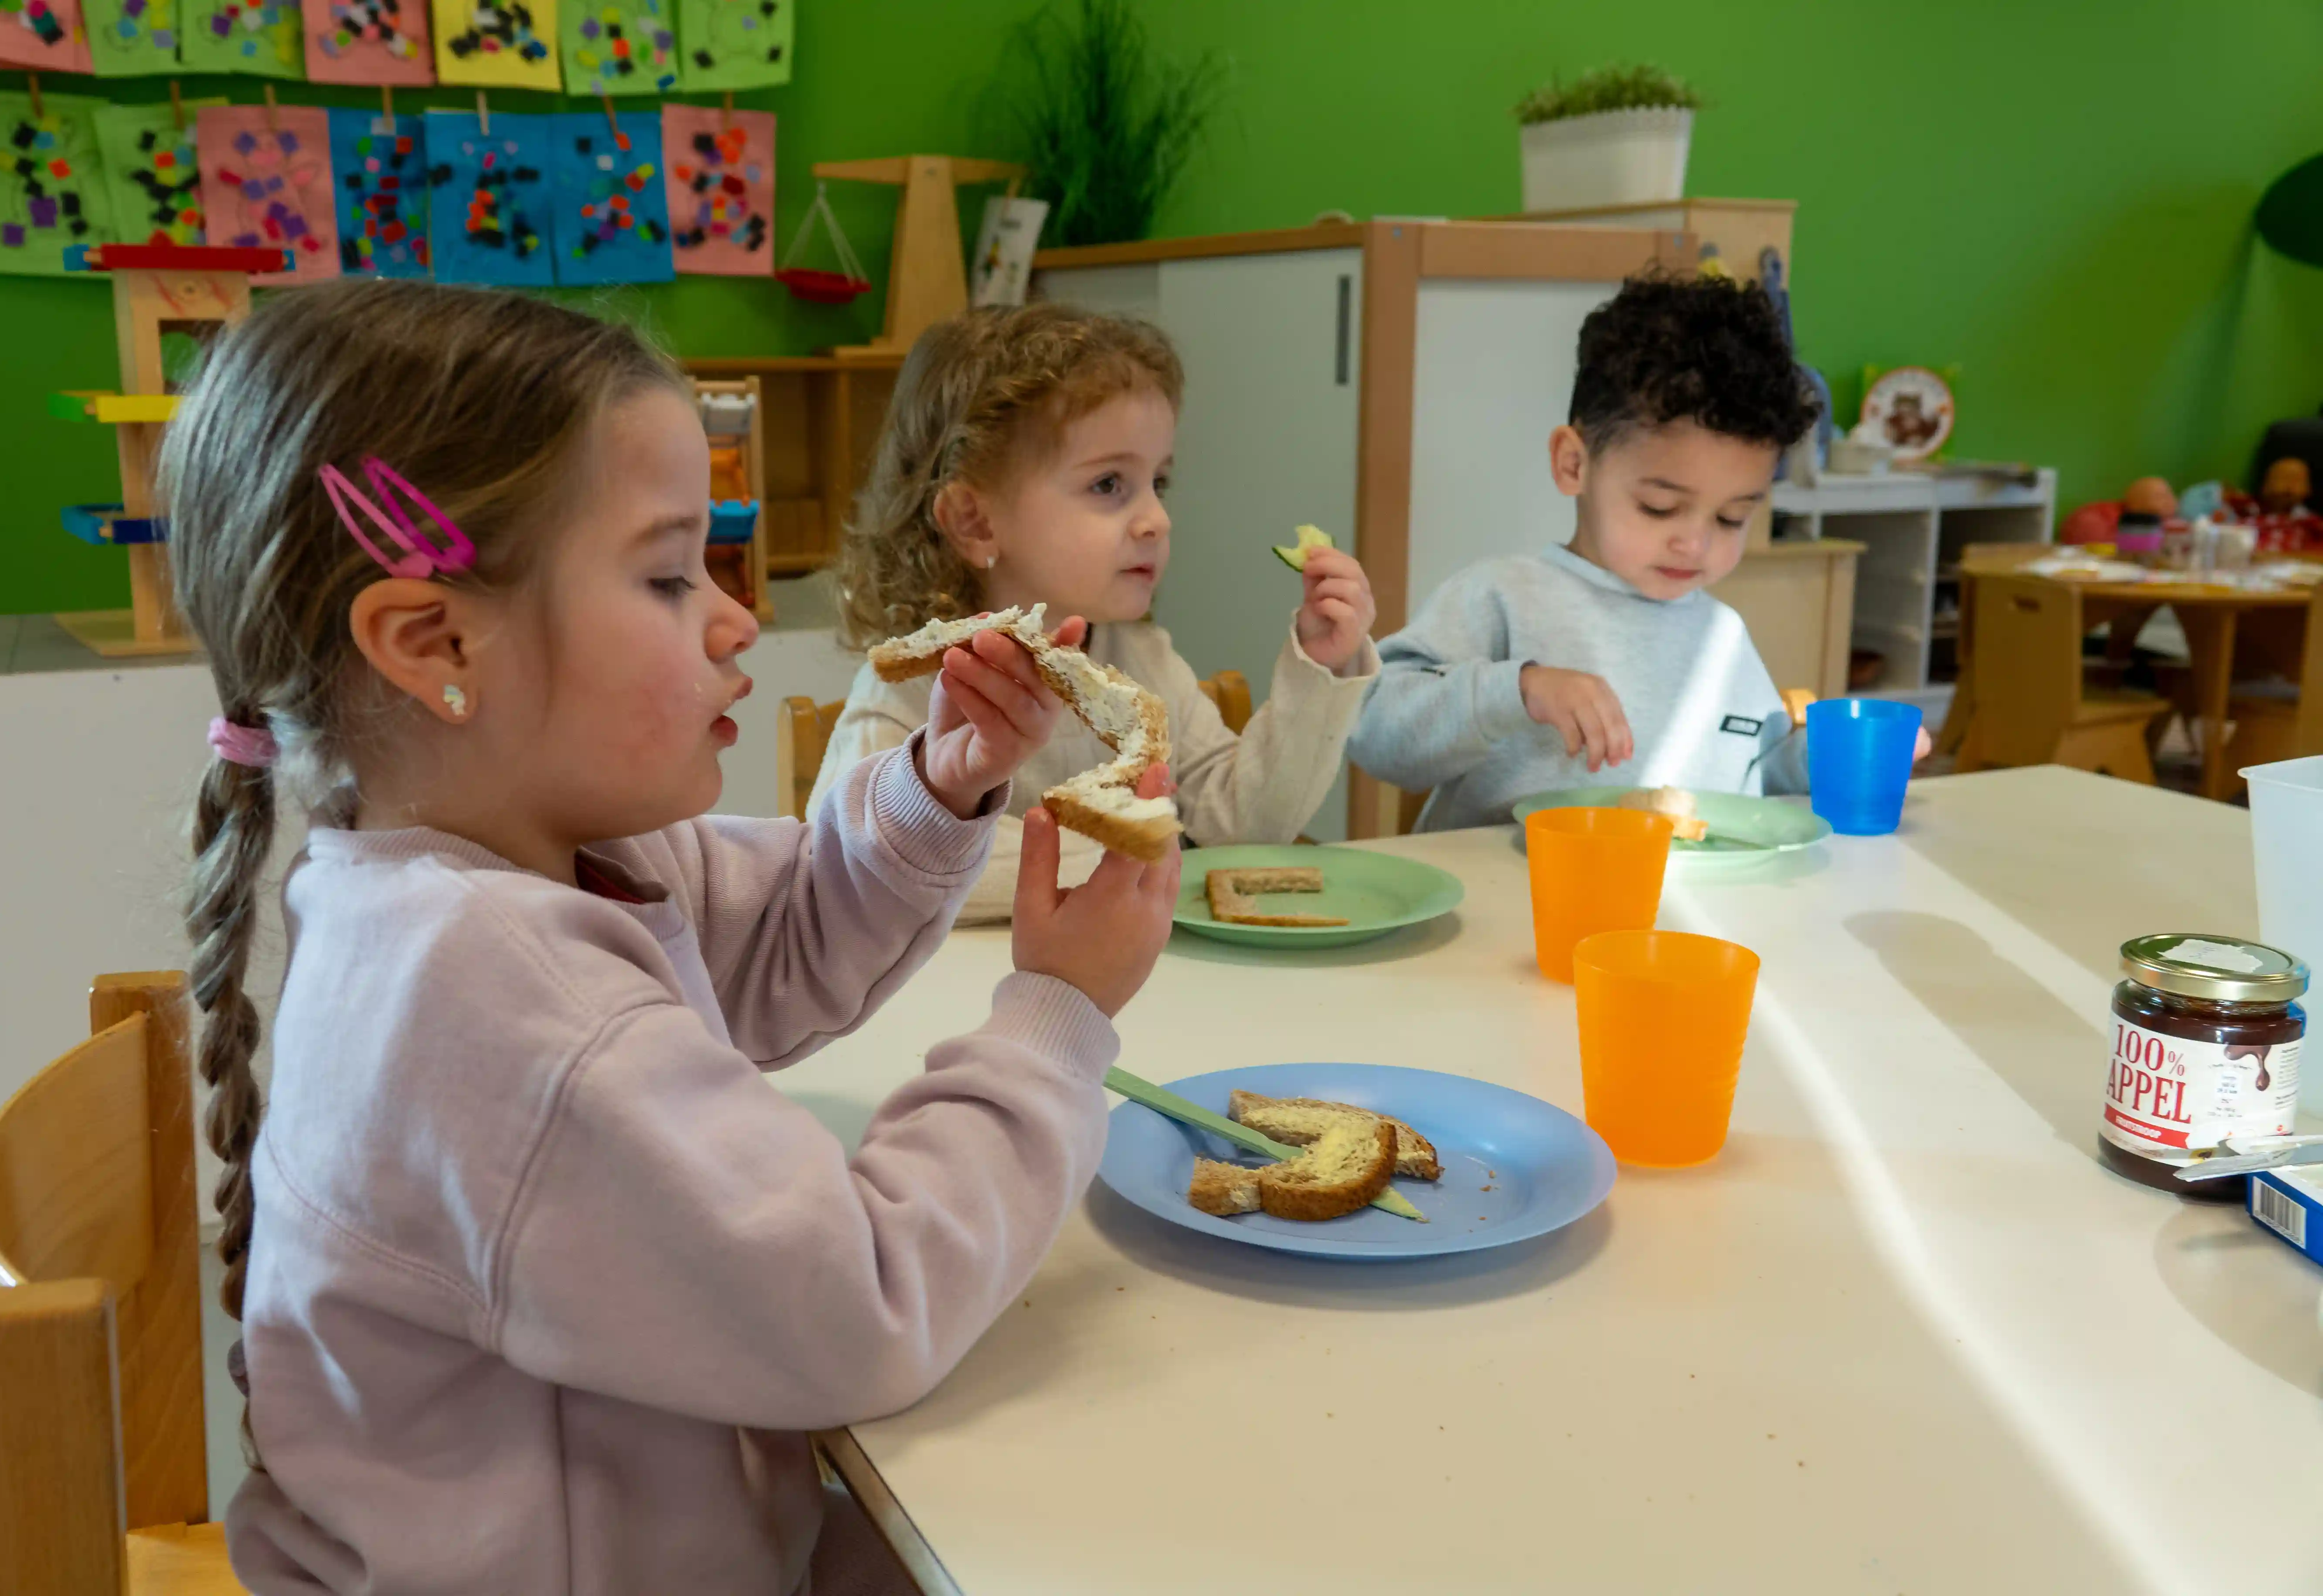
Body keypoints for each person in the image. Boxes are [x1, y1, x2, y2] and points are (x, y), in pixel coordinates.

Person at [161, 278, 1179, 1594]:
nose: (735, 616)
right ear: (433, 641)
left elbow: (784, 941)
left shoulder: (520, 865)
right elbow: (858, 1302)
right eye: (664, 572)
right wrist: (1056, 1020)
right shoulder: (493, 994)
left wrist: (939, 786)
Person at [815, 302, 1380, 922]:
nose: (1157, 520)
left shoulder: (1141, 659)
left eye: (1158, 483)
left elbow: (1237, 829)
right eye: (1109, 485)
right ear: (976, 521)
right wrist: (1140, 846)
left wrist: (1320, 672)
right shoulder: (917, 685)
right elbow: (864, 858)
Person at [1349, 270, 1928, 829]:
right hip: (1518, 905)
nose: (1696, 542)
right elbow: (1376, 735)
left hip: (1677, 914)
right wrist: (1517, 690)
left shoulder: (1721, 637)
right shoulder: (1505, 595)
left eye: (1732, 517)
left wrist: (1829, 762)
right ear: (1574, 463)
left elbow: (1754, 777)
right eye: (1659, 506)